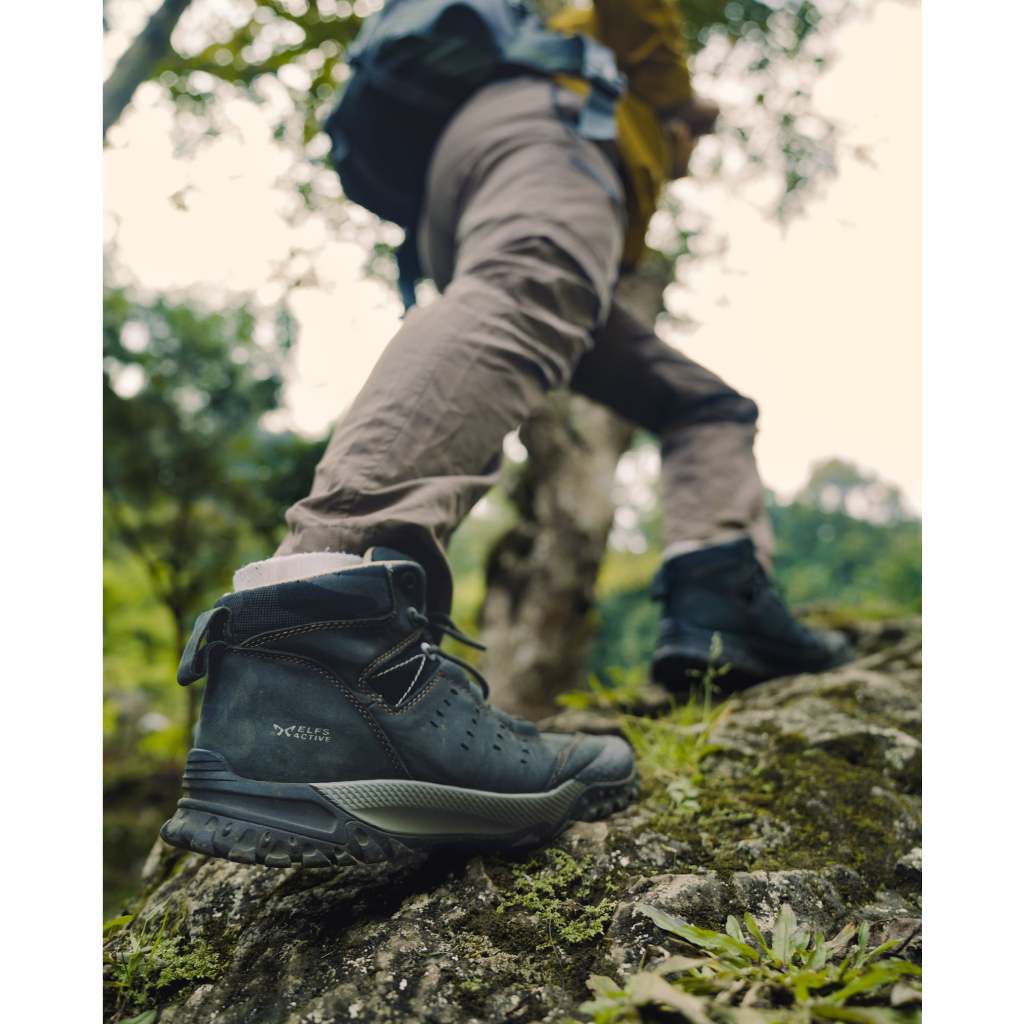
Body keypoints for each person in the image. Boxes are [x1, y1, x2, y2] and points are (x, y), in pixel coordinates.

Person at [160, 0, 850, 868]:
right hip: (545, 133)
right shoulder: (598, 66)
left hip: (475, 182)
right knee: (527, 284)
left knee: (705, 406)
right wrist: (676, 99)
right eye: (688, 144)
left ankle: (723, 606)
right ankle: (320, 631)